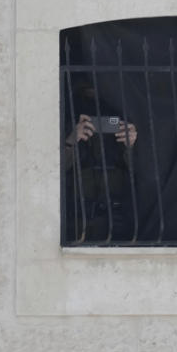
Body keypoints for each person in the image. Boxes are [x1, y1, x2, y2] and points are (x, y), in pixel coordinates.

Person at [63, 86, 139, 242]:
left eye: (97, 86)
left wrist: (131, 146)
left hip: (117, 219)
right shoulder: (64, 120)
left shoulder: (122, 117)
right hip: (78, 219)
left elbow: (141, 172)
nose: (93, 91)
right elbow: (49, 170)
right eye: (87, 86)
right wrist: (71, 140)